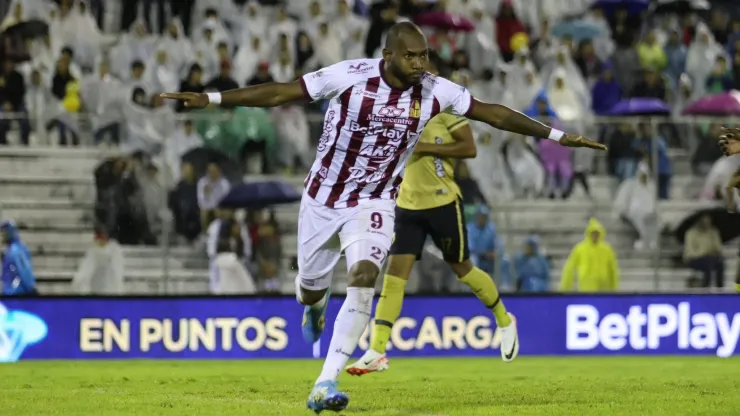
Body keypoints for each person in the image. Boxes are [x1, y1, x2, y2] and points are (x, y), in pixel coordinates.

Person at [161, 21, 605, 414]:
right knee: (310, 289)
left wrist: (558, 135)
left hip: (374, 202)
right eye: (410, 55)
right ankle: (313, 307)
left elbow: (493, 113)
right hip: (322, 200)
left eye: (424, 54)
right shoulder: (349, 76)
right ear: (387, 55)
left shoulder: (435, 91)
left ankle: (325, 381)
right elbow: (281, 92)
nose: (419, 63)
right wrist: (212, 98)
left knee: (366, 274)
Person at [346, 55, 513, 376]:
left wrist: (426, 148)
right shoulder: (396, 106)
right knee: (394, 277)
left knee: (463, 270)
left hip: (443, 203)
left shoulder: (446, 108)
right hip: (407, 206)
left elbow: (469, 148)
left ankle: (505, 320)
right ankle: (377, 350)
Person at [559, 218, 620, 292]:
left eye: (597, 233)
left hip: (603, 288)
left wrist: (614, 289)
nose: (595, 235)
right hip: (586, 287)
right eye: (593, 233)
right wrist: (565, 287)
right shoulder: (580, 249)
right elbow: (569, 268)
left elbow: (613, 270)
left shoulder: (607, 249)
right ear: (589, 233)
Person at [1, 220, 37, 296]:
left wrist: (31, 289)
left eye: (2, 232)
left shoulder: (16, 251)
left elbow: (25, 271)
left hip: (17, 294)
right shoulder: (11, 250)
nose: (1, 236)